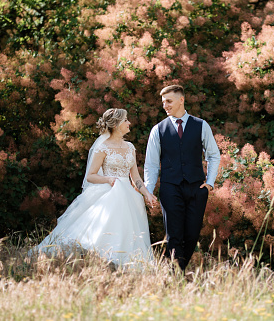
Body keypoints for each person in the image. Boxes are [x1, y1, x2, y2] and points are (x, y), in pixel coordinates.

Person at [31, 108, 157, 268]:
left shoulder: (130, 147)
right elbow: (91, 175)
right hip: (110, 193)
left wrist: (146, 194)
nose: (129, 123)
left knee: (128, 231)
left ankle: (126, 264)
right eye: (126, 120)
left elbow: (136, 177)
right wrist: (108, 178)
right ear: (117, 124)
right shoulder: (103, 147)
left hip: (129, 197)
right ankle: (100, 261)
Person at [144, 85, 220, 273]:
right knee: (174, 235)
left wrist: (209, 183)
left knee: (192, 234)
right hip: (170, 188)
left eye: (168, 101)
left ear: (181, 100)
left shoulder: (201, 125)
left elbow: (213, 155)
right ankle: (176, 275)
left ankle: (177, 271)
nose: (165, 106)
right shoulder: (158, 130)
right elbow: (151, 165)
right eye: (163, 102)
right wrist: (148, 190)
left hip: (197, 188)